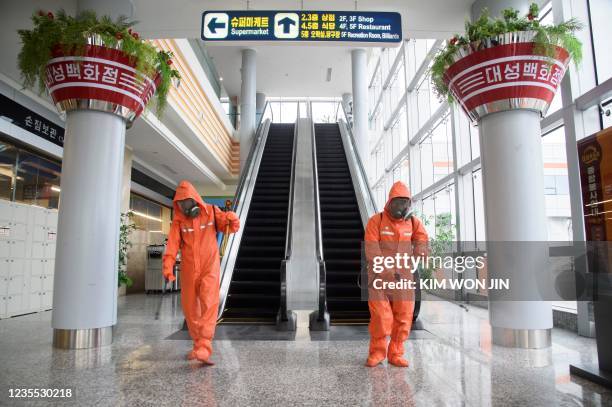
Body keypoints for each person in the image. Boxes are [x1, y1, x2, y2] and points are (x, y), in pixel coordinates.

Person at [162, 180, 240, 364]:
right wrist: (168, 267)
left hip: (209, 267)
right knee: (190, 309)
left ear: (195, 199)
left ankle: (205, 344)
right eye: (180, 203)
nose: (184, 207)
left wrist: (231, 218)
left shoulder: (211, 211)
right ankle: (198, 345)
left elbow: (230, 227)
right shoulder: (179, 221)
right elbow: (172, 246)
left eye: (187, 202)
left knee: (209, 303)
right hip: (189, 270)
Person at [364, 181, 428, 367]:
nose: (401, 207)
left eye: (404, 202)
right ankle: (377, 353)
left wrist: (421, 250)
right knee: (381, 317)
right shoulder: (376, 221)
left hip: (404, 278)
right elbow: (372, 250)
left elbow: (422, 238)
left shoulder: (413, 222)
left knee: (403, 316)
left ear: (409, 204)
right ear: (390, 202)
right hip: (379, 278)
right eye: (397, 202)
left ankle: (396, 354)